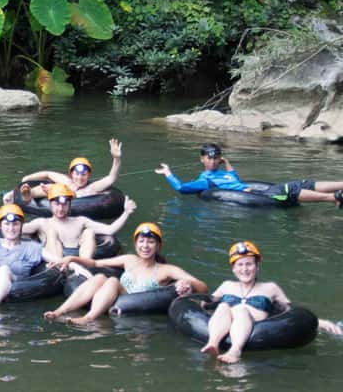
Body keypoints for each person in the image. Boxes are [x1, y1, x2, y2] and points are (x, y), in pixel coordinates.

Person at [199, 240, 341, 362]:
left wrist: (320, 323)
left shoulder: (271, 288)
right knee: (223, 306)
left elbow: (292, 311)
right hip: (226, 324)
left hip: (256, 329)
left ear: (257, 266)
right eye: (240, 265)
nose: (245, 269)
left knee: (240, 309)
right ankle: (213, 343)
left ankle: (235, 350)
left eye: (249, 264)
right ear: (234, 269)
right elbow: (205, 303)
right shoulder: (226, 285)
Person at [43, 222, 207, 324]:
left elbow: (203, 287)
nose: (145, 246)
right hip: (116, 298)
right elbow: (95, 263)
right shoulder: (129, 260)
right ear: (136, 244)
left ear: (158, 246)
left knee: (113, 281)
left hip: (135, 306)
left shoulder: (166, 269)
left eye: (150, 242)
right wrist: (71, 258)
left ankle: (88, 318)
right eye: (141, 241)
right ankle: (60, 311)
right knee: (99, 277)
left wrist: (187, 283)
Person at [157, 142, 343, 207]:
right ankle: (333, 198)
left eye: (216, 158)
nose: (213, 161)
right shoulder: (205, 181)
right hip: (257, 195)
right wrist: (168, 173)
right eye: (209, 158)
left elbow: (235, 178)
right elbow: (181, 188)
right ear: (202, 159)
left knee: (304, 182)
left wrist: (226, 162)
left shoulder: (224, 174)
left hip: (253, 190)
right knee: (292, 188)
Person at [18, 183, 136, 260]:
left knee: (89, 232)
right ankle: (60, 267)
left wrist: (126, 213)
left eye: (64, 204)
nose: (60, 208)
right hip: (54, 263)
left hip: (80, 261)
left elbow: (109, 230)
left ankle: (85, 265)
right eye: (57, 204)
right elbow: (17, 229)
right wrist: (25, 197)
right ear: (50, 204)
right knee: (51, 232)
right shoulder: (42, 223)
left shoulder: (80, 221)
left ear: (70, 204)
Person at [19, 139, 123, 200]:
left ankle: (34, 193)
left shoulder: (92, 188)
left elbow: (111, 178)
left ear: (88, 175)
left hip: (81, 206)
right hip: (60, 199)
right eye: (77, 174)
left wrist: (116, 158)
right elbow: (48, 174)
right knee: (52, 187)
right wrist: (27, 178)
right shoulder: (66, 181)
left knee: (55, 188)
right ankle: (28, 194)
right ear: (71, 174)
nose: (80, 178)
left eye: (84, 174)